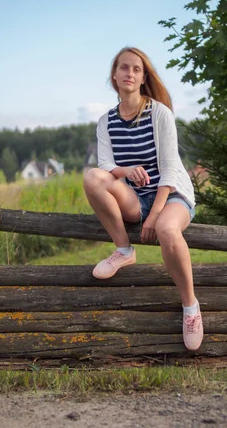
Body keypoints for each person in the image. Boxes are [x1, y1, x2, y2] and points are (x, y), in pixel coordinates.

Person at [83, 46, 203, 351]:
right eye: (124, 68)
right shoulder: (106, 121)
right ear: (114, 75)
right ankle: (123, 249)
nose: (130, 74)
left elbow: (172, 169)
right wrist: (127, 171)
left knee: (165, 230)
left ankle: (190, 308)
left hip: (172, 193)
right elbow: (106, 167)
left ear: (143, 77)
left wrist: (154, 215)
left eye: (136, 69)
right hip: (135, 197)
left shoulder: (159, 113)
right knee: (92, 177)